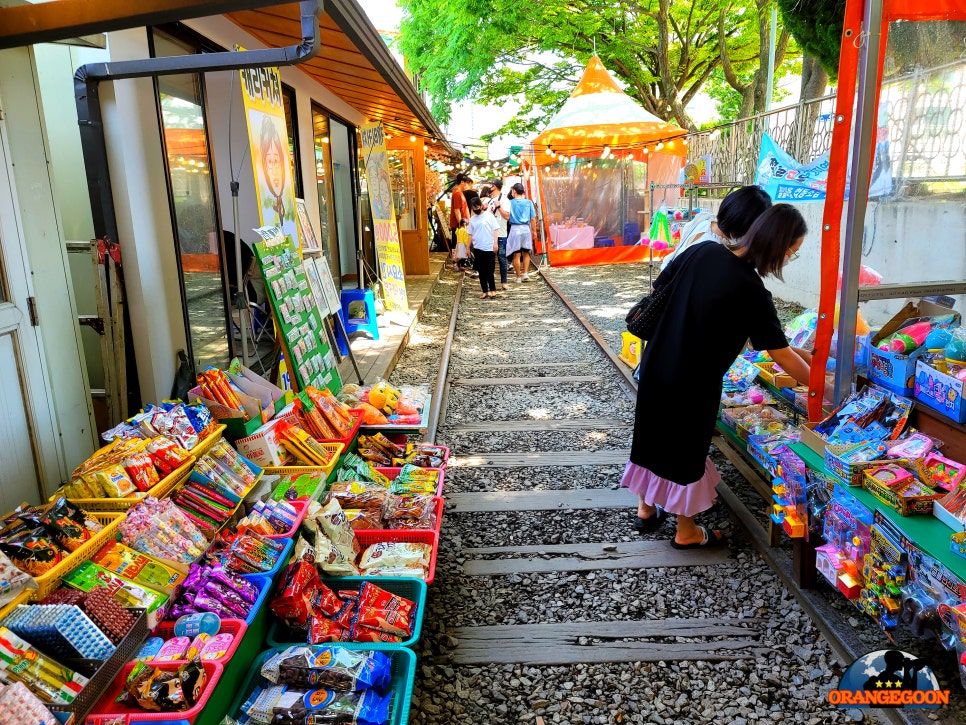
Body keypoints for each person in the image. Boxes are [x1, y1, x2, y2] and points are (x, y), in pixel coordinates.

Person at [624, 195, 822, 548]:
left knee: (652, 436)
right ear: (777, 247)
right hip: (694, 382)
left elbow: (662, 285)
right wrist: (824, 390)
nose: (790, 258)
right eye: (793, 251)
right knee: (685, 452)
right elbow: (781, 356)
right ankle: (686, 533)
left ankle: (645, 509)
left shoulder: (703, 252)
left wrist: (810, 358)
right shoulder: (753, 291)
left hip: (656, 363)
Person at [466, 196, 499, 298]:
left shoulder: (489, 216)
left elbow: (495, 229)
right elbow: (470, 234)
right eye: (473, 208)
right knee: (481, 271)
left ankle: (492, 289)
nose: (475, 209)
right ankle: (484, 290)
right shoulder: (472, 219)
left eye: (477, 207)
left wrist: (495, 243)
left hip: (489, 247)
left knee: (490, 270)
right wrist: (467, 248)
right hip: (478, 247)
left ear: (481, 205)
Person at [505, 182, 537, 283]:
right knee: (526, 252)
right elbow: (532, 219)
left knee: (516, 254)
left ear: (514, 191)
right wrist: (534, 231)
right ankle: (526, 273)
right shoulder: (529, 203)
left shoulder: (510, 202)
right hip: (526, 229)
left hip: (515, 229)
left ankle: (518, 277)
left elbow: (507, 216)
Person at [486, 179, 512, 290]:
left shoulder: (505, 200)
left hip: (501, 233)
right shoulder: (489, 200)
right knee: (489, 259)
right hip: (488, 234)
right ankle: (490, 283)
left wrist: (499, 206)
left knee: (502, 258)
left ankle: (504, 282)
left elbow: (507, 216)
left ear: (495, 186)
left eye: (491, 185)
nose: (489, 187)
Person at [448, 174, 471, 259]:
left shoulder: (458, 192)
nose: (467, 185)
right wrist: (462, 224)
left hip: (460, 223)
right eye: (466, 183)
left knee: (459, 243)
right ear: (462, 182)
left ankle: (457, 262)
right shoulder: (457, 193)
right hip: (458, 224)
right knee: (458, 243)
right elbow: (457, 210)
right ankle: (456, 263)